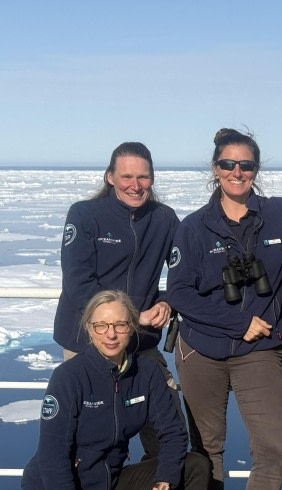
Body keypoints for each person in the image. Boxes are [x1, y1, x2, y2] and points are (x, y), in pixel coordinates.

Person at [4, 290, 221, 490]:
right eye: (101, 325)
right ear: (88, 328)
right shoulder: (70, 377)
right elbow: (52, 459)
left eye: (120, 324)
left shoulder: (145, 373)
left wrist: (161, 488)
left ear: (132, 327)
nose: (111, 334)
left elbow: (174, 434)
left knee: (193, 466)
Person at [167, 128, 282, 490]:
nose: (237, 172)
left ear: (256, 170)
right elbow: (180, 292)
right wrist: (236, 321)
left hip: (257, 352)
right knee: (207, 451)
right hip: (200, 349)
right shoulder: (192, 227)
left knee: (272, 445)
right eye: (228, 164)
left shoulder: (281, 215)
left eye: (246, 165)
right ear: (215, 169)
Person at [53, 141, 183, 455]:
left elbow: (186, 273)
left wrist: (167, 302)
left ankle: (163, 483)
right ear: (110, 177)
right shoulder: (86, 215)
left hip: (140, 345)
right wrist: (132, 316)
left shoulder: (164, 219)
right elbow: (78, 282)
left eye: (143, 177)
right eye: (126, 177)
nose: (135, 186)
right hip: (87, 341)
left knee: (169, 432)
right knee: (90, 440)